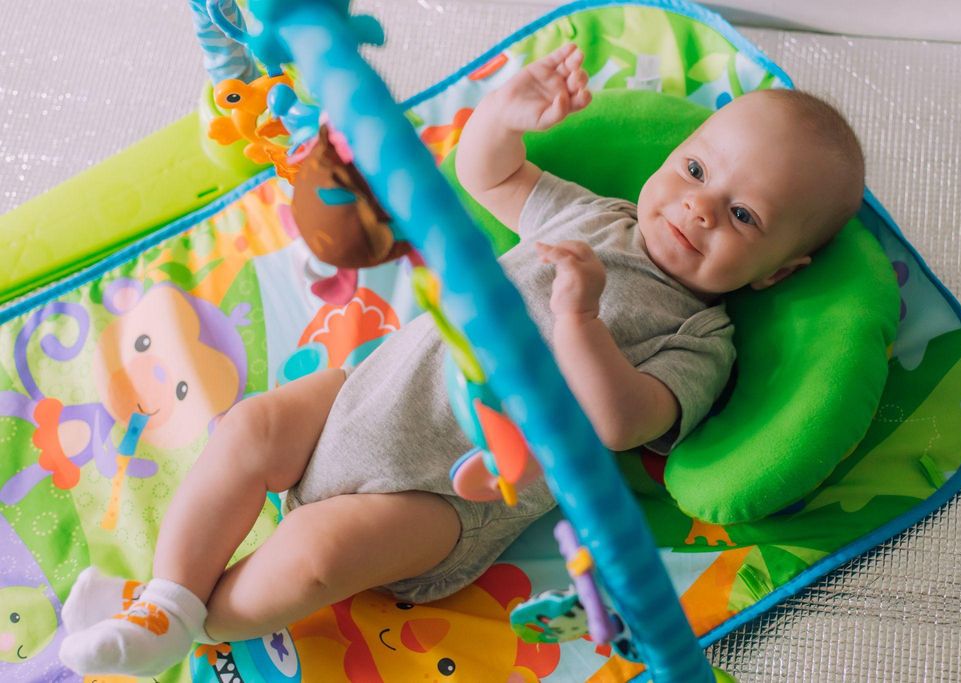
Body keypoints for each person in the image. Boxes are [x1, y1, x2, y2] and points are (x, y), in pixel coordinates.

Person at [59, 43, 864, 676]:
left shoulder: (703, 340)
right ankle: (163, 596)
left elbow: (621, 422)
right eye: (694, 168)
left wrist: (577, 314)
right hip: (367, 394)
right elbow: (492, 174)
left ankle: (195, 623)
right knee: (249, 426)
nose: (696, 205)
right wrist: (507, 111)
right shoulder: (595, 215)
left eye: (743, 214)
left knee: (314, 560)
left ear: (777, 272)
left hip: (448, 494)